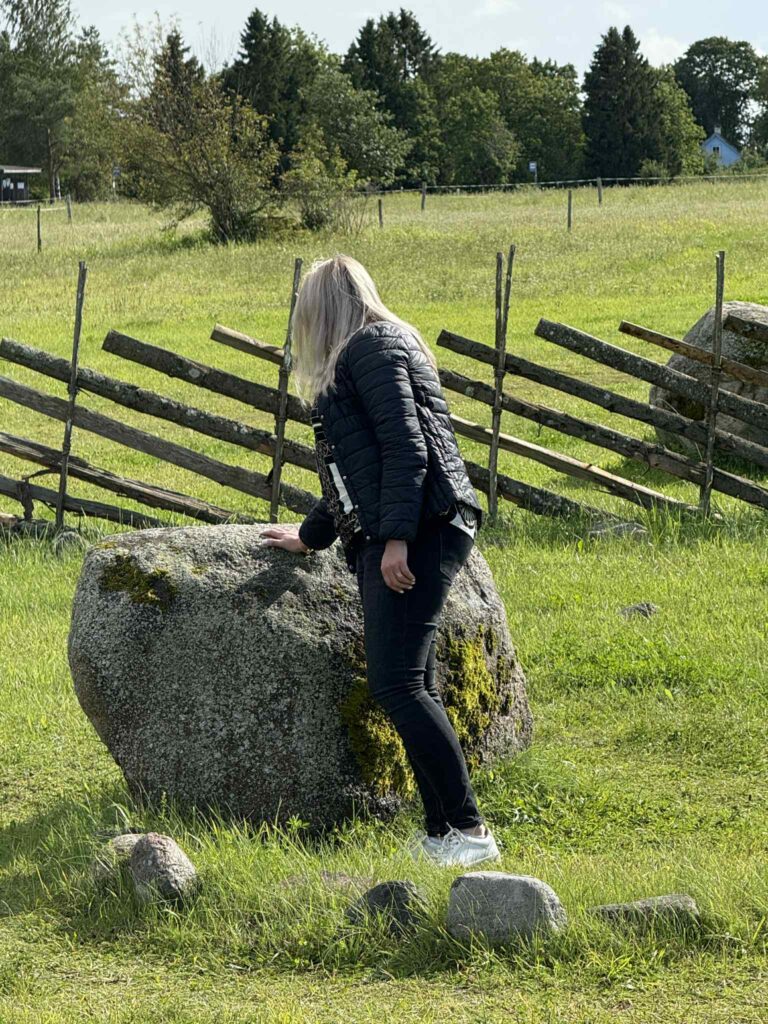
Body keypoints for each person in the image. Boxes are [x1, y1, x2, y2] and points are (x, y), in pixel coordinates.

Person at [260, 254, 500, 867]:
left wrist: (394, 539)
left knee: (396, 683)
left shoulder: (372, 346)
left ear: (325, 305)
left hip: (419, 530)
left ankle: (468, 830)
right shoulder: (369, 351)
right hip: (409, 526)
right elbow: (355, 472)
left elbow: (405, 447)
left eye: (305, 306)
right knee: (410, 683)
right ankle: (444, 832)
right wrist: (310, 537)